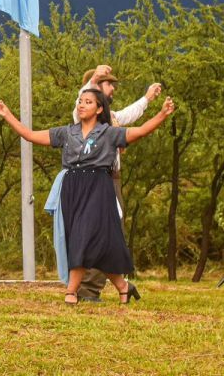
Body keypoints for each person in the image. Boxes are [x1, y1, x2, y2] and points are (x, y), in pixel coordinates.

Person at [0, 89, 176, 304]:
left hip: (98, 188)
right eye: (80, 101)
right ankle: (123, 286)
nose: (81, 105)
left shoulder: (108, 133)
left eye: (88, 102)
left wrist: (162, 115)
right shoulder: (67, 132)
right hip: (72, 188)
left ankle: (71, 291)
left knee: (82, 236)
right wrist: (8, 115)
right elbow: (31, 135)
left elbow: (138, 132)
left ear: (99, 108)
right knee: (94, 242)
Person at [47, 64, 161, 301]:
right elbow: (82, 98)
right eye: (109, 84)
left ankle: (120, 285)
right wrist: (94, 79)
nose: (113, 88)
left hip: (109, 180)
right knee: (92, 232)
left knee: (109, 233)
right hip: (90, 183)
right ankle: (88, 288)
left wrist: (148, 99)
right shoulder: (82, 117)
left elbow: (131, 115)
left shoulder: (109, 119)